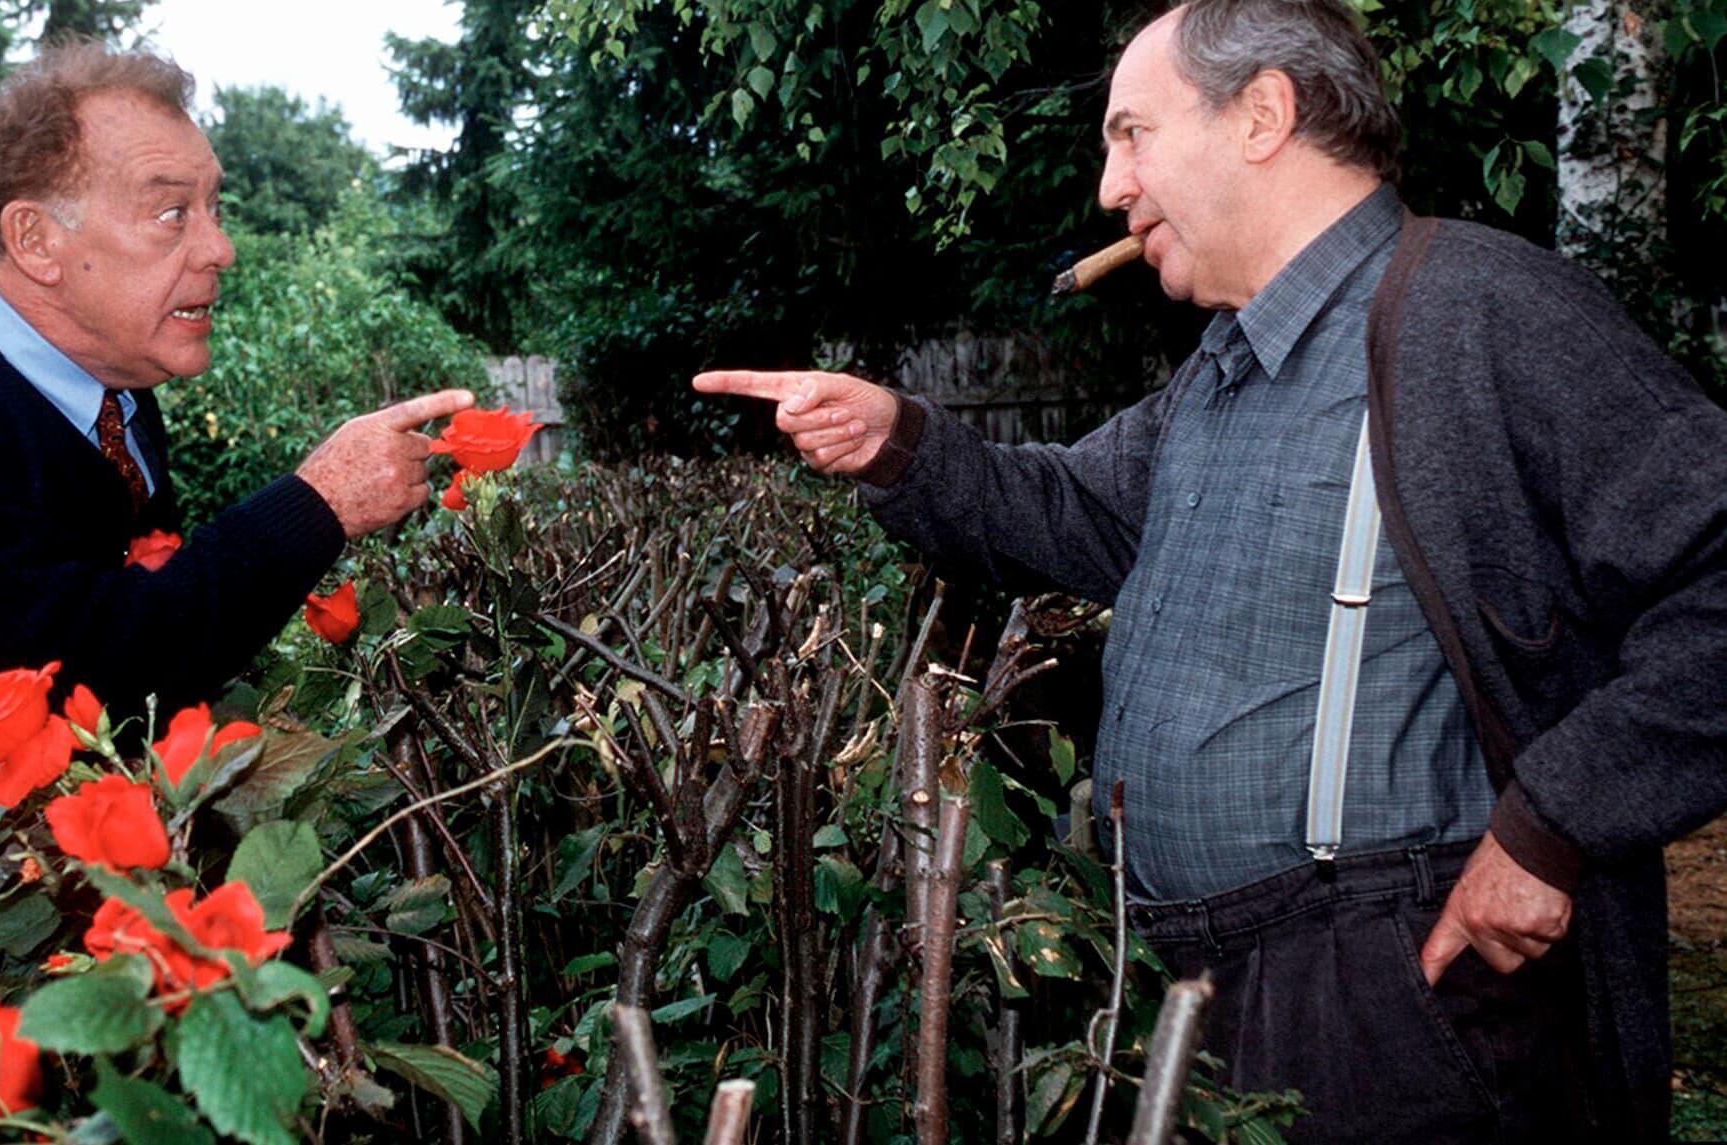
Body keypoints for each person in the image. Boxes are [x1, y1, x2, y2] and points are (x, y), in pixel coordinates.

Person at [697, 1, 1727, 1141]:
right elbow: (1071, 512)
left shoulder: (1475, 310)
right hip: (1198, 988)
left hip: (1387, 1004)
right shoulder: (1228, 368)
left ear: (1262, 116)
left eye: (1131, 133)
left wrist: (1552, 822)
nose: (1109, 187)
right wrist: (894, 436)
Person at [0, 43, 473, 1110]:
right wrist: (320, 501)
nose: (220, 247)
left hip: (34, 979)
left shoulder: (107, 397)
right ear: (35, 239)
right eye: (171, 211)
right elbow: (94, 659)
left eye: (214, 206)